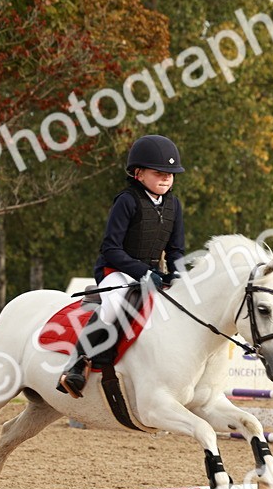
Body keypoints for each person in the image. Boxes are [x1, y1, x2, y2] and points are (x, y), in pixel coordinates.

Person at [57, 135, 186, 398]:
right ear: (138, 174)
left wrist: (178, 275)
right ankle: (77, 364)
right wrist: (143, 272)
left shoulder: (174, 205)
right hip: (116, 270)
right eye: (159, 173)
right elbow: (111, 249)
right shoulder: (127, 200)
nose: (166, 178)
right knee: (114, 305)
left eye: (170, 174)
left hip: (153, 274)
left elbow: (176, 250)